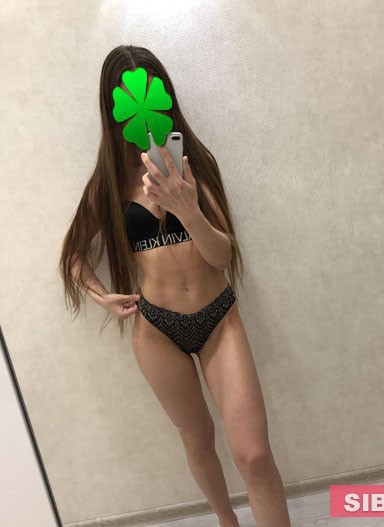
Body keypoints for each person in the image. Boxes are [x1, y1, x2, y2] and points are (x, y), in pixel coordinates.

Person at [59, 44, 292, 527]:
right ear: (114, 109)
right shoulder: (108, 183)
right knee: (197, 439)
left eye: (151, 94)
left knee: (253, 455)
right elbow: (74, 254)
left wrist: (187, 208)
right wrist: (102, 297)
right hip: (157, 330)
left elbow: (222, 256)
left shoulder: (194, 162)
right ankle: (227, 520)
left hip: (219, 319)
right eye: (129, 101)